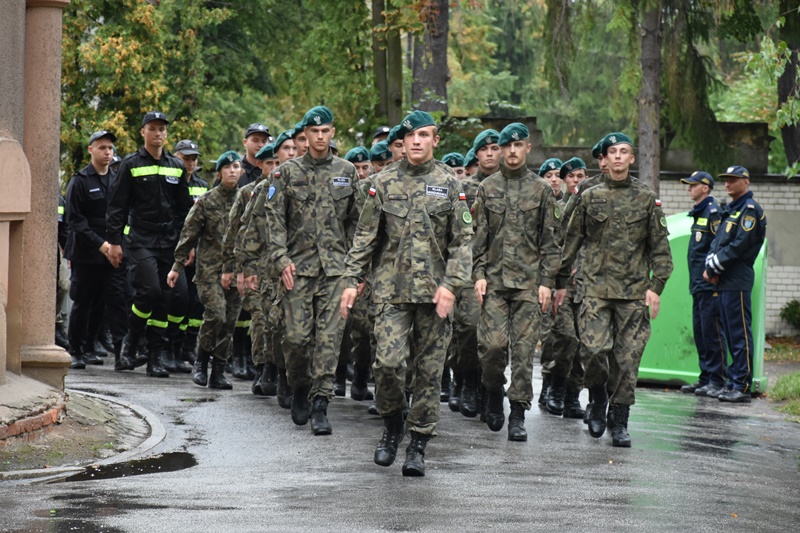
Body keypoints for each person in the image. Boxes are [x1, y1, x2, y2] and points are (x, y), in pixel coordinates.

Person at [341, 110, 473, 476]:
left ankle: (417, 444)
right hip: (392, 292)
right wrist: (352, 280)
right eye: (410, 136)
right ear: (402, 142)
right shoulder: (382, 183)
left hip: (435, 295)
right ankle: (393, 424)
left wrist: (452, 285)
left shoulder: (450, 184)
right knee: (387, 365)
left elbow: (463, 242)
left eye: (424, 135)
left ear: (435, 141)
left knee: (429, 374)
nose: (416, 141)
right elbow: (365, 237)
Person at [555, 133, 673, 447]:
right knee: (594, 352)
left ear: (632, 159)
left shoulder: (646, 198)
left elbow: (661, 249)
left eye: (624, 151)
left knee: (627, 360)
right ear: (605, 159)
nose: (618, 156)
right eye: (612, 152)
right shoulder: (589, 197)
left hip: (633, 293)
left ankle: (619, 419)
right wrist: (559, 283)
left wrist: (656, 287)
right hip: (595, 289)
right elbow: (570, 242)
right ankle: (597, 397)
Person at [265, 105, 360, 436]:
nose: (320, 137)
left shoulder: (347, 171)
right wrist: (280, 259)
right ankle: (300, 386)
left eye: (325, 131)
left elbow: (357, 223)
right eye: (314, 131)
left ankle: (321, 404)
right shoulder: (286, 173)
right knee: (295, 339)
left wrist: (354, 269)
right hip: (298, 268)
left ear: (332, 133)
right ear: (304, 135)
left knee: (329, 340)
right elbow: (274, 220)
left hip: (336, 270)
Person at [471, 123, 562, 441]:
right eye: (506, 146)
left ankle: (518, 414)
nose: (512, 151)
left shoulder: (542, 190)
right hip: (494, 283)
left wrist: (547, 281)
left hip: (528, 284)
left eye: (518, 145)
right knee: (492, 347)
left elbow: (551, 241)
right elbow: (478, 239)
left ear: (527, 148)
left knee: (523, 354)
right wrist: (478, 275)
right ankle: (493, 390)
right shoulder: (487, 188)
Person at [106, 111, 192, 376]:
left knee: (167, 297)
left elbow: (184, 210)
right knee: (151, 290)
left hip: (169, 240)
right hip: (140, 239)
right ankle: (132, 339)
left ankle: (155, 356)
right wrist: (115, 242)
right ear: (143, 132)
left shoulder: (176, 166)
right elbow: (117, 206)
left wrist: (187, 244)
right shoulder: (130, 164)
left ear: (166, 133)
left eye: (162, 129)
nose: (158, 133)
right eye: (152, 128)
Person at [168, 151, 243, 389]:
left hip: (236, 270)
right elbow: (189, 233)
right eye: (228, 167)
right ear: (219, 173)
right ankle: (201, 361)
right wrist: (177, 266)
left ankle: (218, 370)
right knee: (217, 314)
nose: (233, 171)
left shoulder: (246, 200)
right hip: (209, 271)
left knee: (229, 321)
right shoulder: (207, 201)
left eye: (236, 166)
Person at [64, 130, 128, 369]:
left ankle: (91, 346)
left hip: (112, 251)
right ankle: (76, 349)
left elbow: (122, 213)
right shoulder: (80, 180)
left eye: (110, 148)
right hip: (86, 251)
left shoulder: (117, 179)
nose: (107, 152)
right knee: (83, 301)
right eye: (102, 148)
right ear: (91, 149)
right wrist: (102, 245)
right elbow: (75, 220)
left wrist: (116, 244)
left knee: (106, 300)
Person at [704, 165, 767, 404]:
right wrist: (711, 264)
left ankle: (742, 385)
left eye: (733, 179)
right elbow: (718, 242)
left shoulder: (749, 210)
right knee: (730, 334)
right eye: (726, 180)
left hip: (737, 279)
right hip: (725, 279)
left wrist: (714, 266)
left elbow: (739, 246)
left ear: (746, 182)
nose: (728, 184)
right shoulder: (732, 210)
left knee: (739, 334)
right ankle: (733, 381)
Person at [679, 171, 726, 397]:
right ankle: (705, 377)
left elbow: (718, 244)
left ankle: (718, 380)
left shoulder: (713, 212)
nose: (689, 189)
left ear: (705, 188)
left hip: (709, 285)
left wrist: (713, 272)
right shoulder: (700, 213)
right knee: (700, 332)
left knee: (712, 333)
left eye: (693, 185)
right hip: (698, 284)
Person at [171, 139, 210, 373]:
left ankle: (187, 347)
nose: (191, 163)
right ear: (175, 157)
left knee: (196, 302)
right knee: (178, 298)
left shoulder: (202, 185)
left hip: (199, 252)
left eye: (194, 158)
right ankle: (171, 348)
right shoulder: (169, 182)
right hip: (174, 248)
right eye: (186, 158)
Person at [239, 123, 271, 188]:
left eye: (264, 141)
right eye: (255, 140)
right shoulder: (236, 170)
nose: (260, 145)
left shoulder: (272, 169)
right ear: (245, 142)